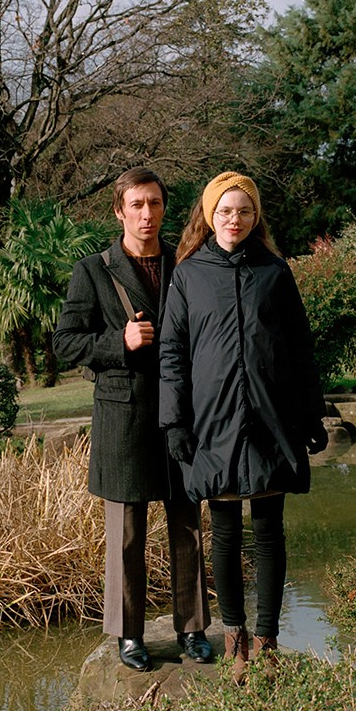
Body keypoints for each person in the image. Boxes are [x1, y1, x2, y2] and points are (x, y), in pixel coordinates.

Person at [158, 171, 327, 681]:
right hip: (213, 424)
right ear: (209, 215)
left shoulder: (275, 272)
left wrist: (312, 413)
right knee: (226, 534)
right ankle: (234, 638)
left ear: (256, 218)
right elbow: (172, 354)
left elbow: (299, 348)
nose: (235, 220)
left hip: (271, 418)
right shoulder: (188, 275)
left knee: (270, 532)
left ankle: (268, 640)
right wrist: (175, 422)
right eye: (226, 211)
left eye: (245, 211)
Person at [54, 167, 212, 672]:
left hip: (183, 412)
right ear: (120, 210)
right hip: (124, 418)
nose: (147, 215)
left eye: (156, 204)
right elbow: (63, 343)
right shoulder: (93, 271)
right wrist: (115, 343)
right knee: (126, 534)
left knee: (187, 524)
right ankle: (128, 636)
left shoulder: (186, 263)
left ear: (165, 208)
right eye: (137, 205)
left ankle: (193, 629)